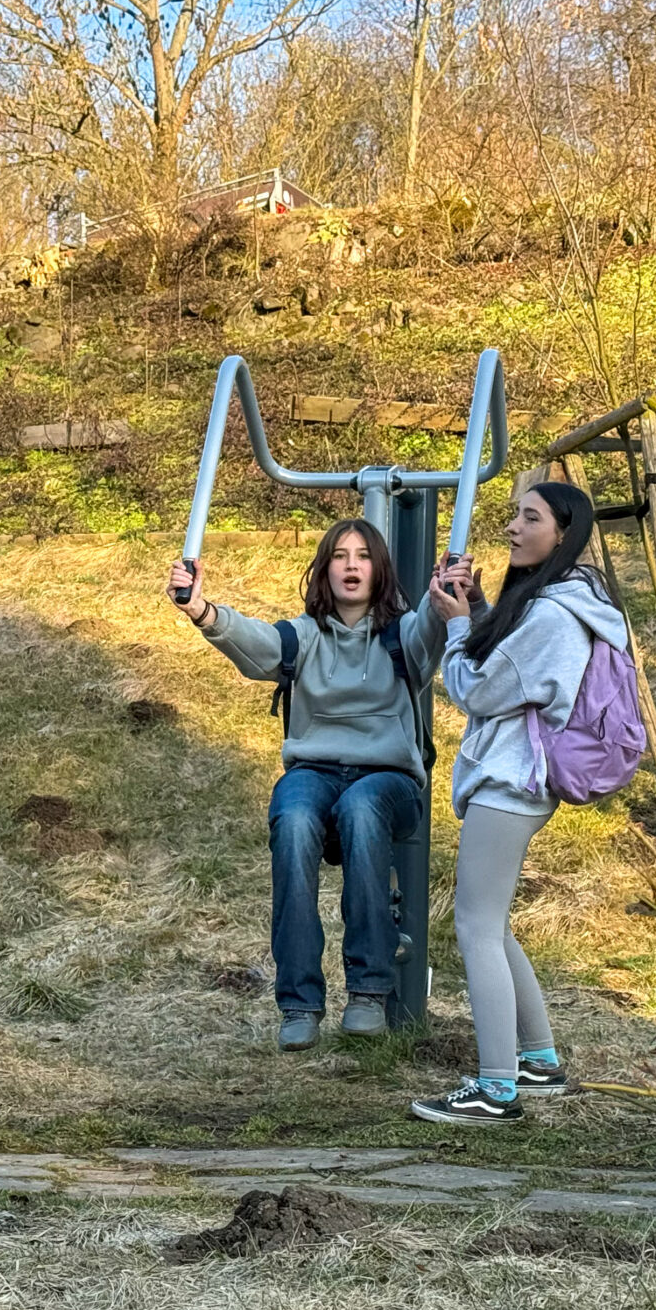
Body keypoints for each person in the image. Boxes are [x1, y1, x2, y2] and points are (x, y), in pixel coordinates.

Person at [168, 523, 474, 1051]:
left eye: (363, 556)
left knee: (361, 807)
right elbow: (255, 641)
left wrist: (446, 587)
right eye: (339, 556)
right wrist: (201, 609)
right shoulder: (302, 637)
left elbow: (433, 623)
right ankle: (299, 1002)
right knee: (292, 816)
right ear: (324, 569)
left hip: (388, 780)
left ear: (380, 569)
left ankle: (368, 991)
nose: (351, 565)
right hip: (314, 772)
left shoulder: (403, 636)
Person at [411, 481, 625, 1125]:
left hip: (511, 782)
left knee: (474, 927)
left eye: (529, 518)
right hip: (518, 779)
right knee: (493, 924)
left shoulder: (555, 616)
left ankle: (495, 1088)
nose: (512, 528)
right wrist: (478, 611)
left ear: (563, 534)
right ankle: (538, 1061)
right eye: (514, 516)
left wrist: (455, 627)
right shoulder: (559, 604)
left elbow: (476, 690)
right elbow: (510, 672)